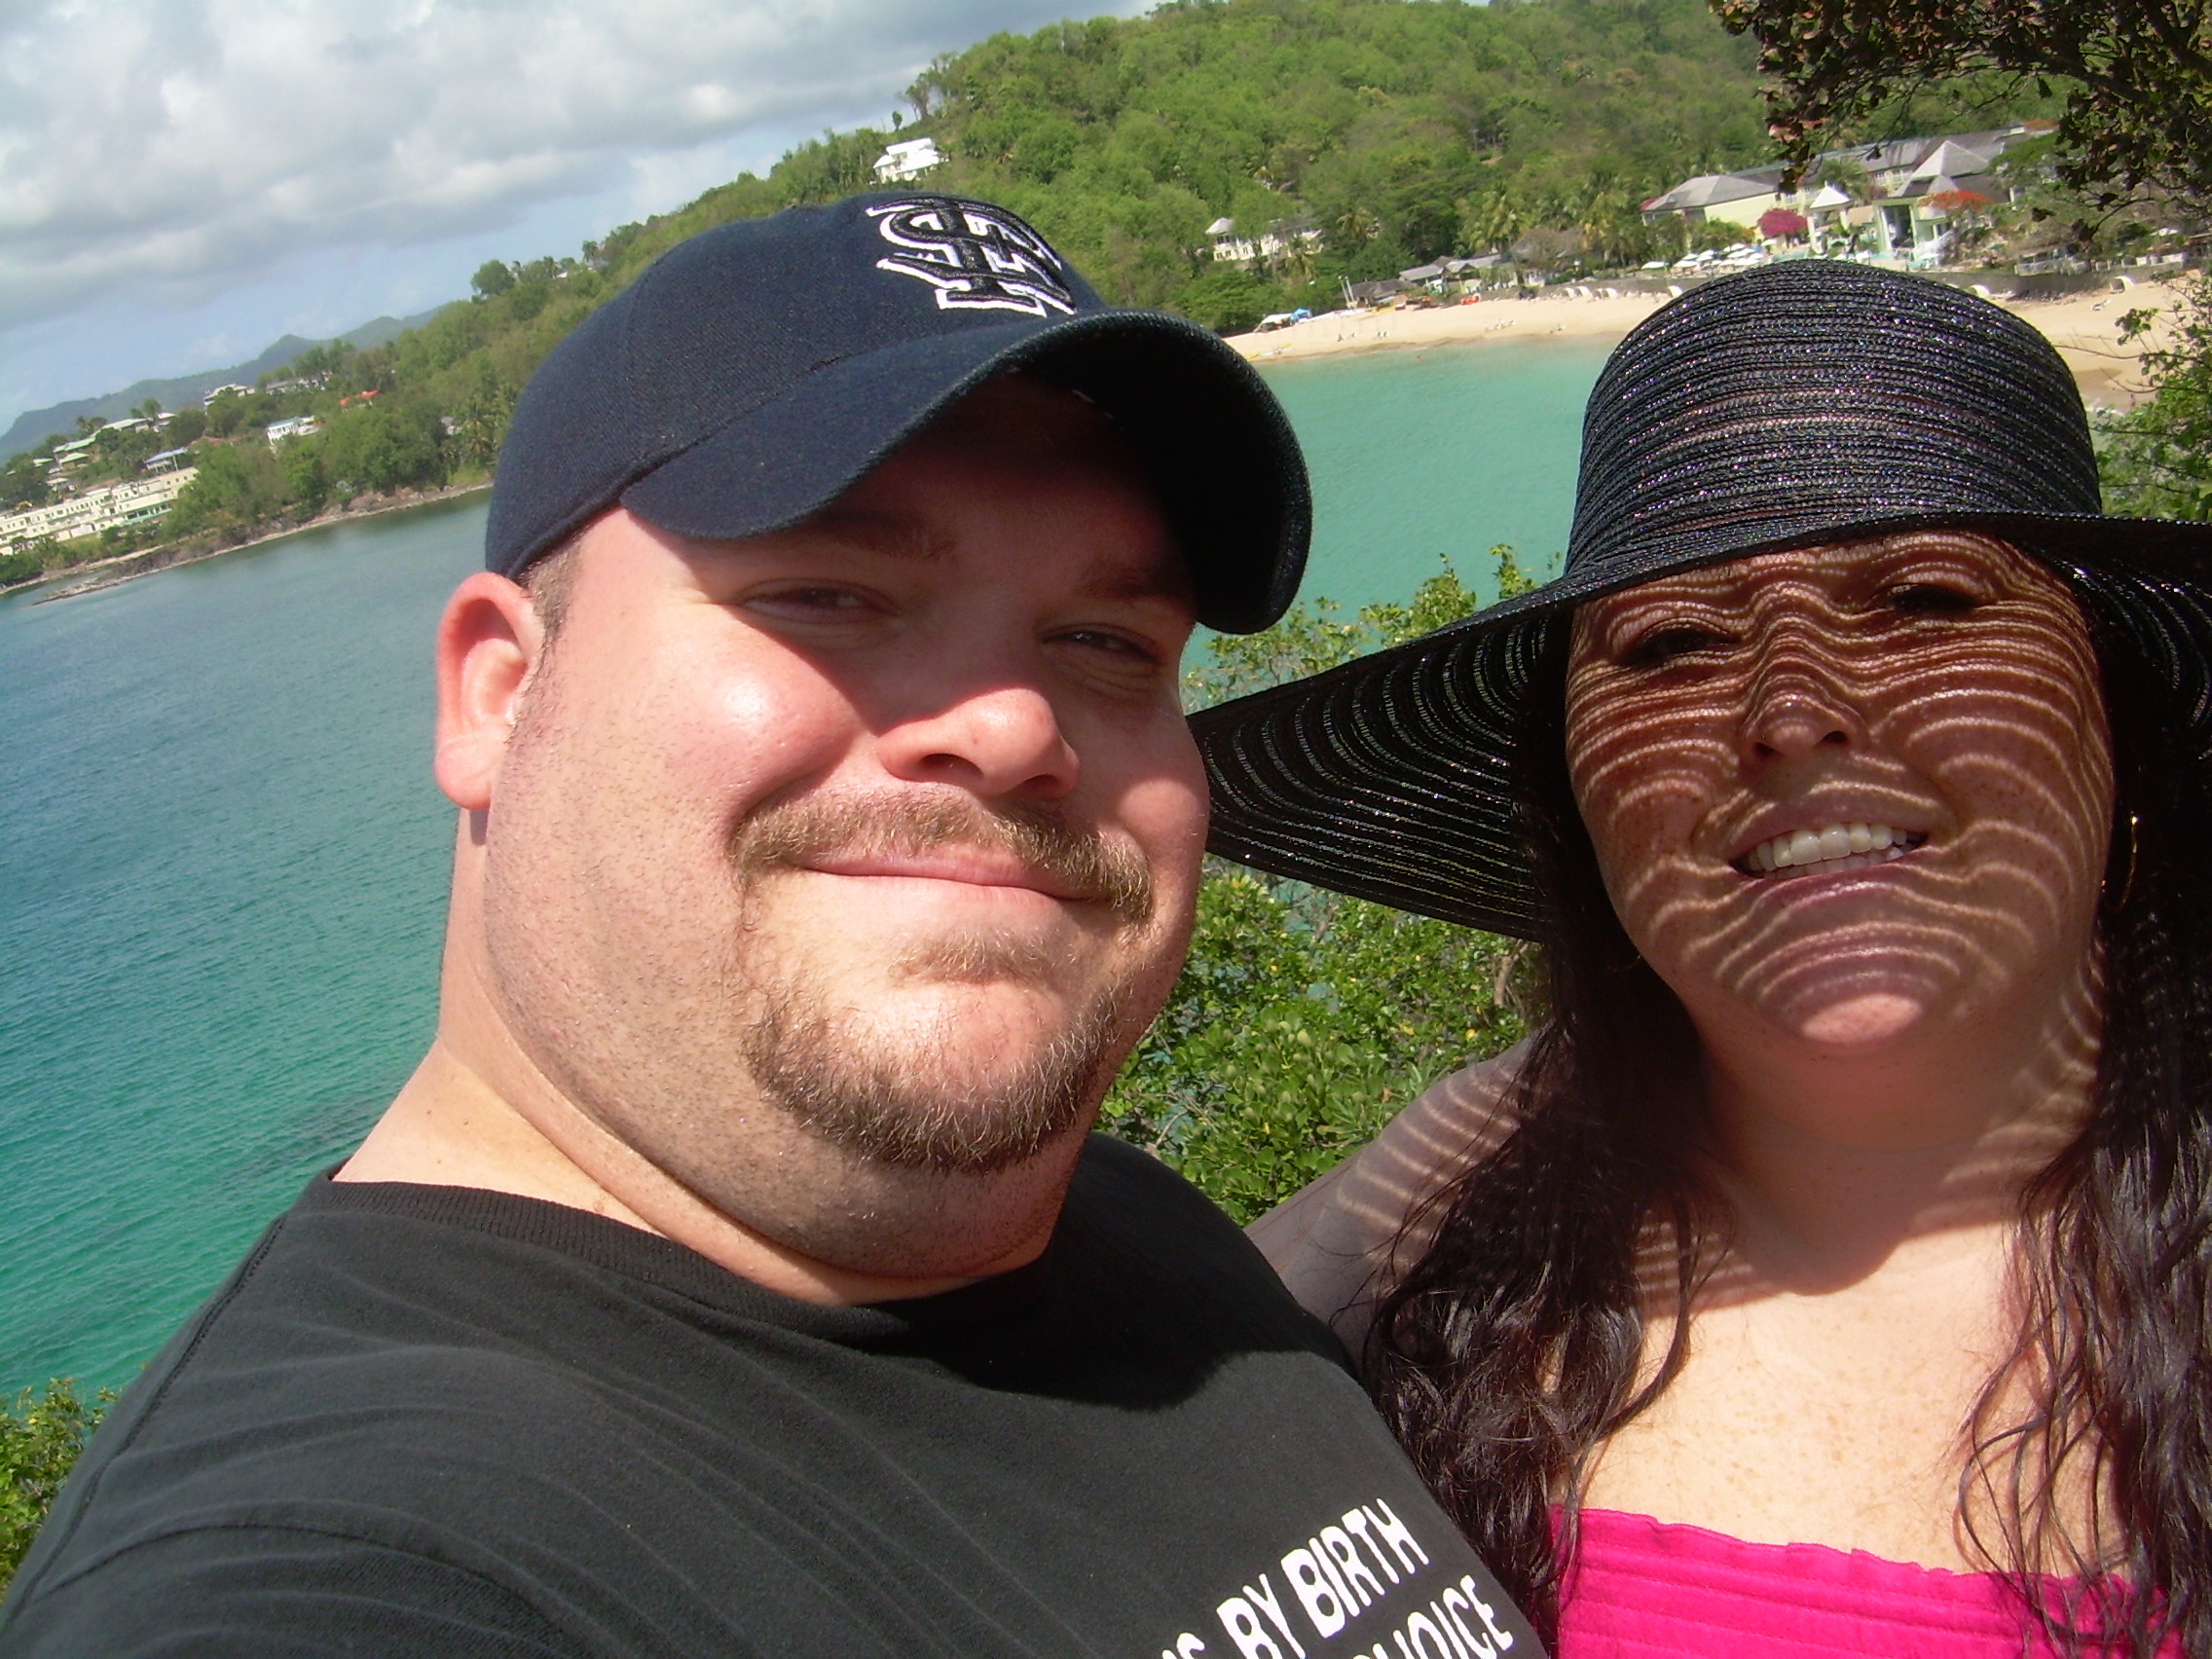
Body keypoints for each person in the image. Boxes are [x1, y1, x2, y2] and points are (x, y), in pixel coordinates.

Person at [0, 194, 1538, 1659]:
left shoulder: (1128, 1232)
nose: (1015, 726)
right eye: (829, 596)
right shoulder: (329, 1561)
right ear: (497, 694)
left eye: (1105, 641)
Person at [1192, 262, 2212, 1657]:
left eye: (1922, 601)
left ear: (2121, 714)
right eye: (1672, 643)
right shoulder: (1447, 1247)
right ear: (1578, 794)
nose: (1792, 711)